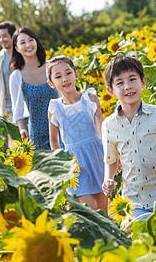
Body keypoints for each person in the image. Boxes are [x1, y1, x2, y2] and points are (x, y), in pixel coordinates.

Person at [101, 55, 156, 223]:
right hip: (134, 200)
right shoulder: (109, 124)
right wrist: (107, 179)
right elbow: (111, 159)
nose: (127, 87)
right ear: (110, 90)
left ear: (143, 82)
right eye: (120, 83)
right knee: (148, 246)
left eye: (132, 79)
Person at [46, 56, 107, 212]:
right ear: (51, 83)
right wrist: (62, 166)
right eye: (58, 76)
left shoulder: (90, 99)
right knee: (88, 211)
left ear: (76, 74)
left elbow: (101, 130)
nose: (65, 79)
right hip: (75, 164)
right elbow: (54, 141)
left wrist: (110, 153)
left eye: (68, 73)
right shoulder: (55, 108)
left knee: (103, 211)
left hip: (97, 158)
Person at [9, 28, 59, 150]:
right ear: (16, 48)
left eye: (31, 40)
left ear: (36, 42)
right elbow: (17, 108)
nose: (28, 45)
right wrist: (21, 129)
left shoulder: (51, 67)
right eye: (22, 42)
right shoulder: (16, 76)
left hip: (61, 126)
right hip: (37, 133)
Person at [0, 21, 16, 118]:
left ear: (13, 35)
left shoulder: (23, 53)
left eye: (4, 36)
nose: (2, 40)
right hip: (10, 108)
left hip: (28, 103)